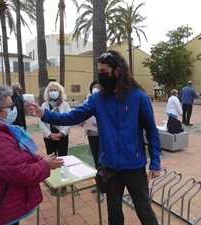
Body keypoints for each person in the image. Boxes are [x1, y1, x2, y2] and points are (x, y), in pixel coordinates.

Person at [26, 50, 161, 225]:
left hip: (134, 166)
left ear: (117, 71)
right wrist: (45, 113)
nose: (100, 76)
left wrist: (155, 162)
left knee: (145, 212)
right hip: (109, 168)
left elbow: (151, 130)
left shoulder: (138, 97)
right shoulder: (98, 99)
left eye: (104, 72)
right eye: (99, 72)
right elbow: (72, 117)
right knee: (114, 214)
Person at [0, 84, 63, 225]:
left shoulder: (1, 131)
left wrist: (40, 159)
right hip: (2, 209)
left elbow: (17, 157)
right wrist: (44, 165)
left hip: (7, 203)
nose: (15, 109)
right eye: (10, 107)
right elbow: (21, 173)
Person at [82, 80, 104, 202]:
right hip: (92, 134)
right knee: (96, 161)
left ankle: (103, 188)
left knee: (102, 162)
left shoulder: (106, 102)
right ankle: (99, 185)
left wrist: (101, 124)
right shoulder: (88, 102)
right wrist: (82, 121)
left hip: (102, 136)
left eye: (98, 87)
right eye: (94, 87)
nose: (95, 88)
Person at [38, 81, 71, 157]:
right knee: (51, 158)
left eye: (55, 90)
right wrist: (49, 134)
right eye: (51, 90)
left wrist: (61, 133)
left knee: (63, 158)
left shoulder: (65, 105)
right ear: (48, 92)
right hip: (49, 137)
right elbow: (40, 122)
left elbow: (69, 120)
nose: (53, 92)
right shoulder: (44, 105)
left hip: (62, 137)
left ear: (60, 92)